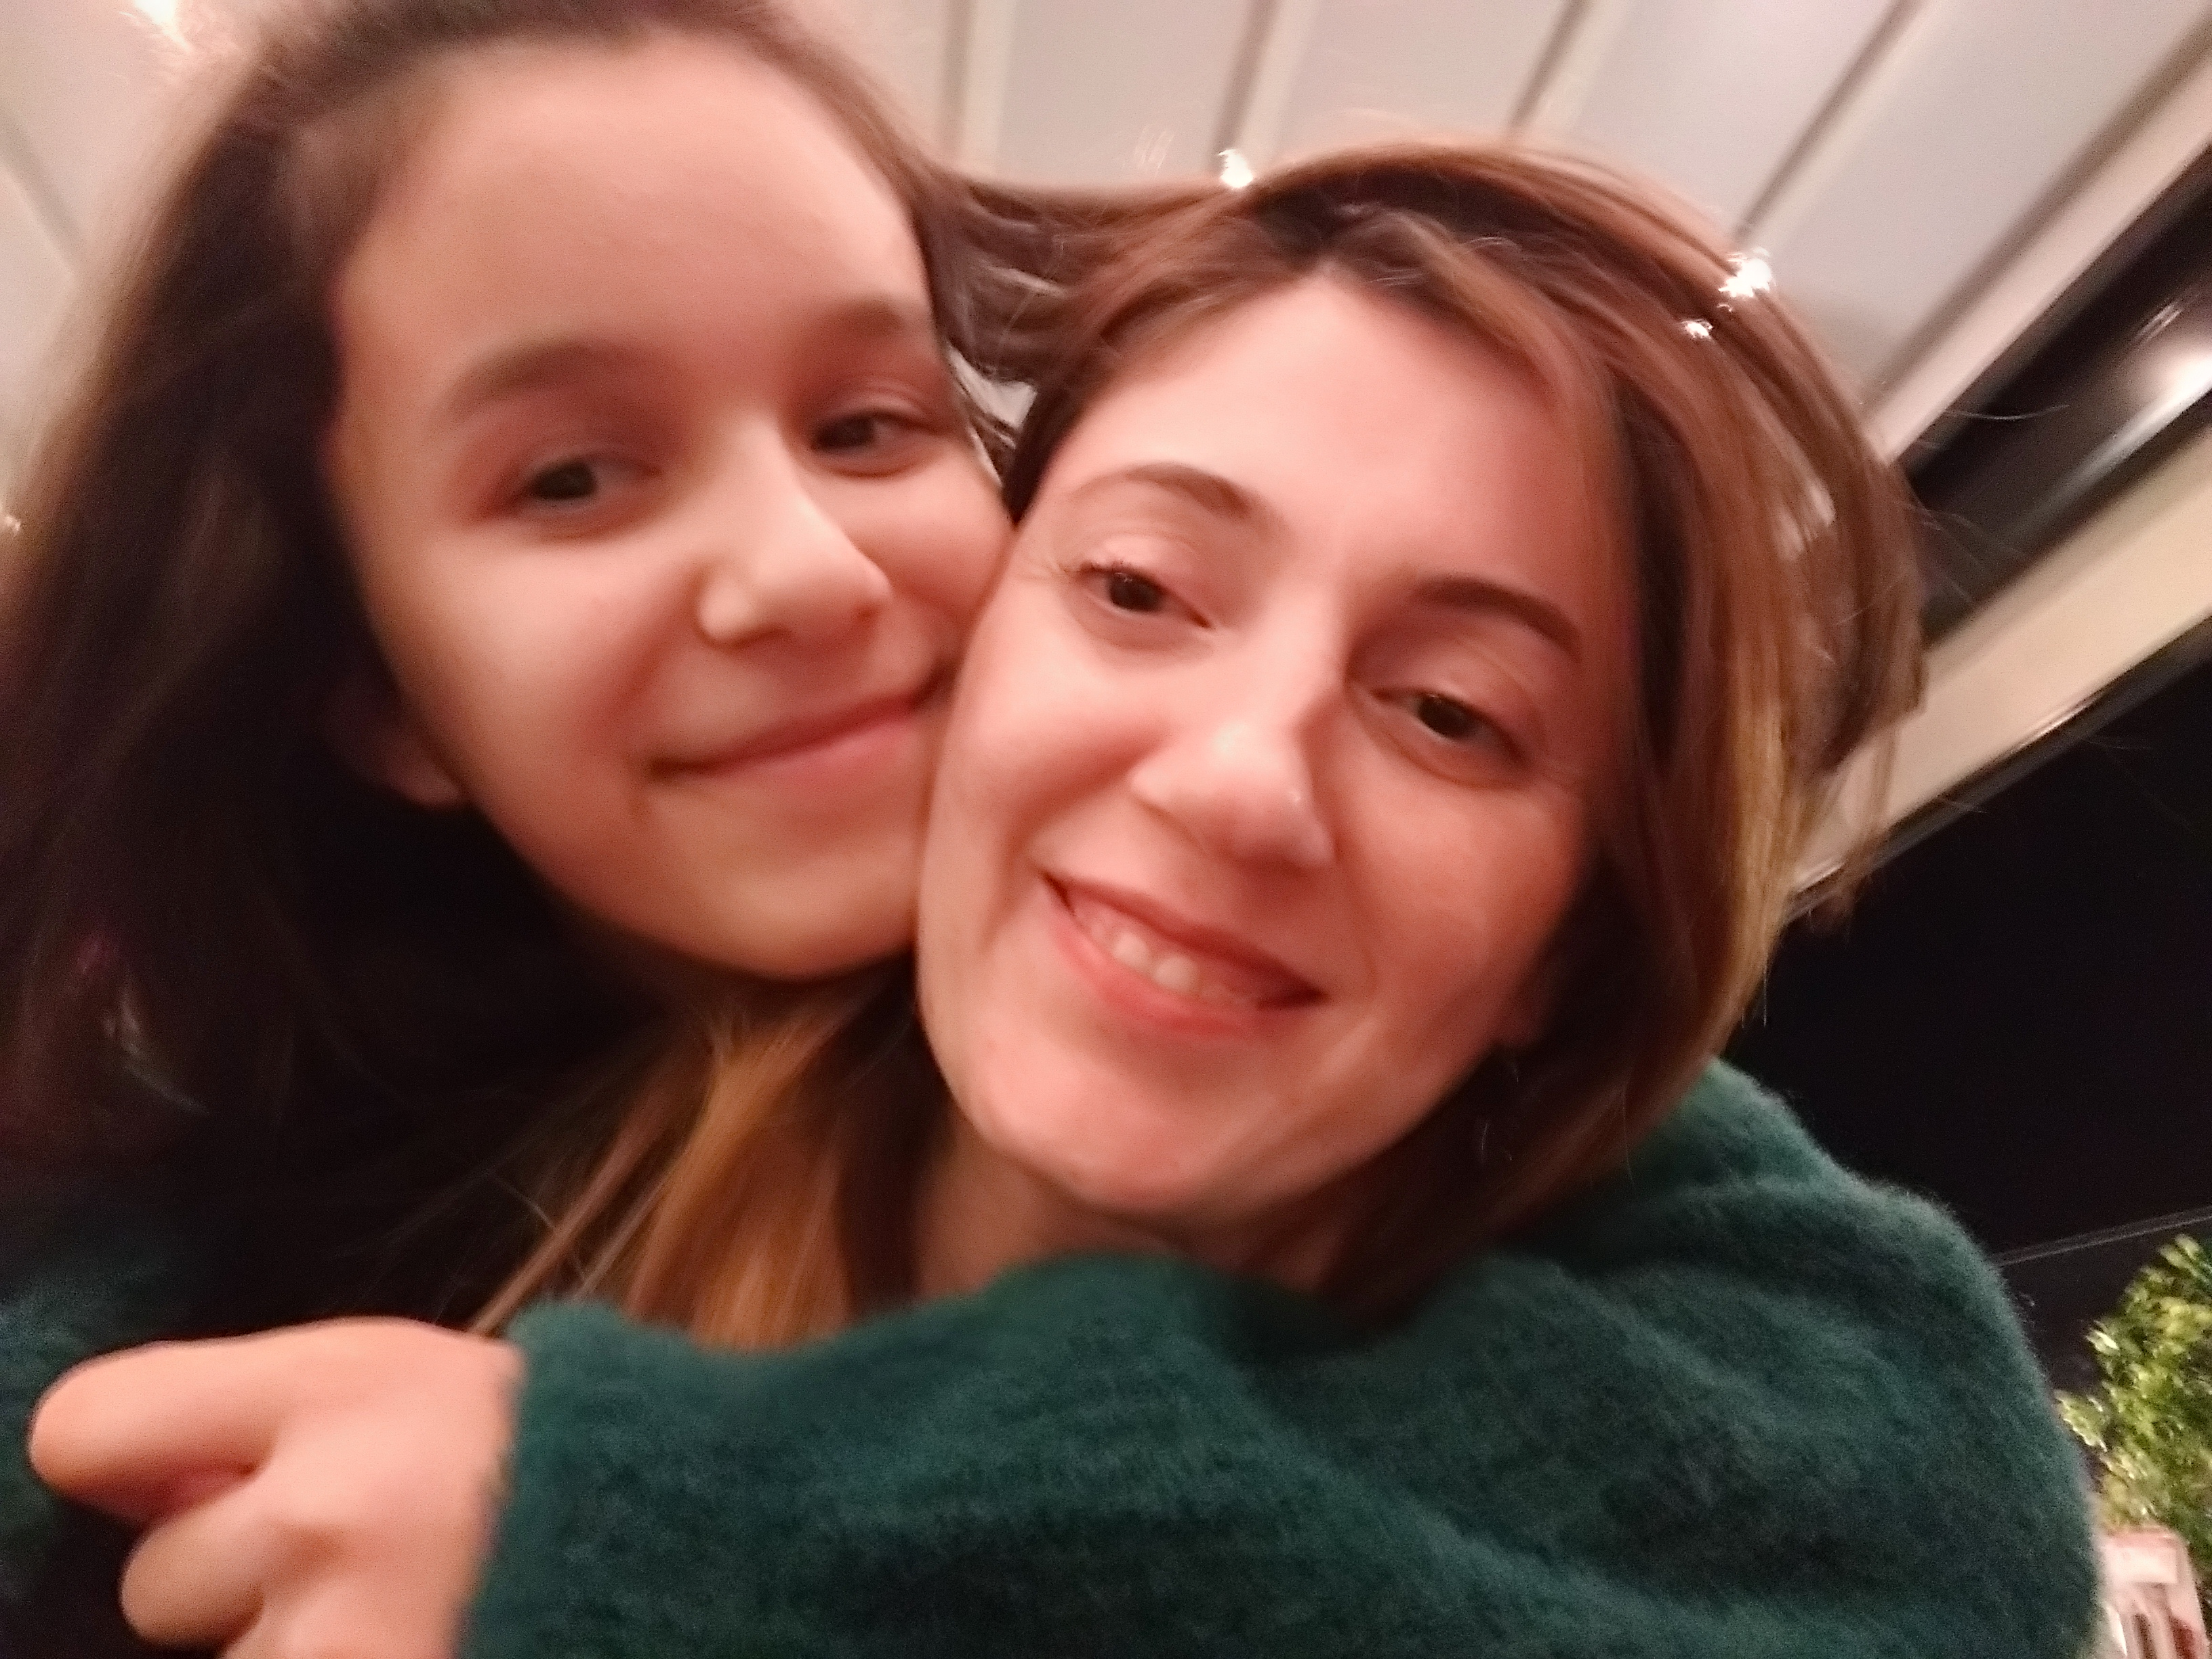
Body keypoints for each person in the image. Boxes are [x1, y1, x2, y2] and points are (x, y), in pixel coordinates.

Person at [29, 144, 2099, 1658]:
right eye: (1137, 589)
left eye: (1456, 715)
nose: (1237, 782)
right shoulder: (457, 1181)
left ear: (1573, 946)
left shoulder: (1717, 1427)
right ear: (972, 638)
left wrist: (664, 1542)